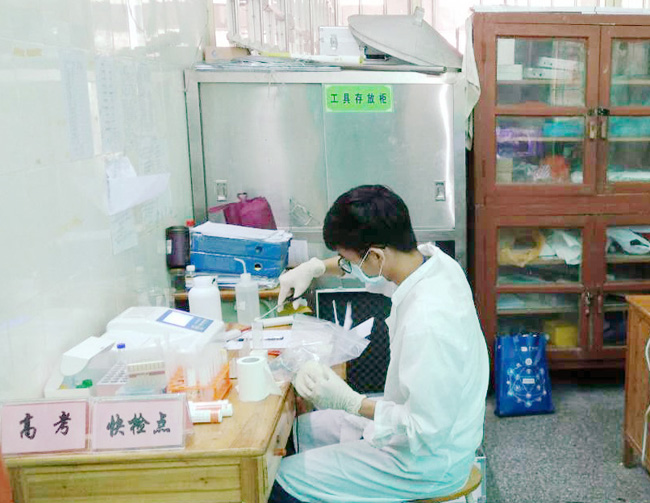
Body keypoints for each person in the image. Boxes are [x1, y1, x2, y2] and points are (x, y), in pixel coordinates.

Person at [270, 185, 489, 503]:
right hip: (425, 427)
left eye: (349, 261)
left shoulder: (428, 322)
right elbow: (371, 271)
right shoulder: (434, 264)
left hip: (426, 462)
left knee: (280, 480)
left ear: (376, 256)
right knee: (301, 431)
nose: (346, 266)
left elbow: (425, 430)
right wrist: (315, 267)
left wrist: (350, 402)